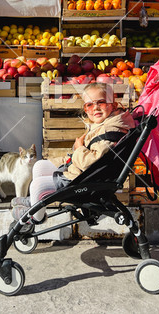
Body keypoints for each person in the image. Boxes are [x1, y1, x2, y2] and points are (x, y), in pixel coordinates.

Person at [11, 82, 135, 223]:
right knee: (39, 165)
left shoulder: (110, 130)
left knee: (37, 185)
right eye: (89, 105)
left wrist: (79, 147)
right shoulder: (104, 124)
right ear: (85, 109)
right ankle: (35, 202)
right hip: (82, 172)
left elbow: (91, 162)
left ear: (113, 104)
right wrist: (75, 152)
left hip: (86, 179)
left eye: (101, 102)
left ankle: (35, 218)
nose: (95, 108)